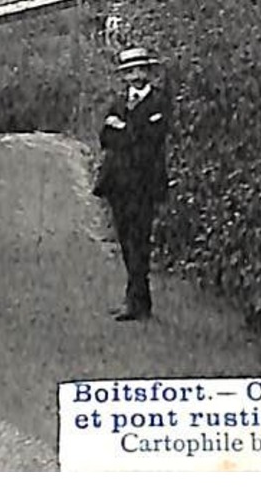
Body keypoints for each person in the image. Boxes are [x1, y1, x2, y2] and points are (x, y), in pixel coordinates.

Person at [92, 46, 172, 321]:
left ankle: (136, 299)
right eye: (129, 72)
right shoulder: (117, 102)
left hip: (144, 183)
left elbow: (151, 140)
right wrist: (127, 132)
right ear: (124, 76)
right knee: (126, 240)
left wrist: (123, 129)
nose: (135, 76)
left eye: (140, 70)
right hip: (118, 183)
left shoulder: (159, 102)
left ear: (148, 73)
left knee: (140, 239)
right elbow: (105, 138)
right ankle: (137, 299)